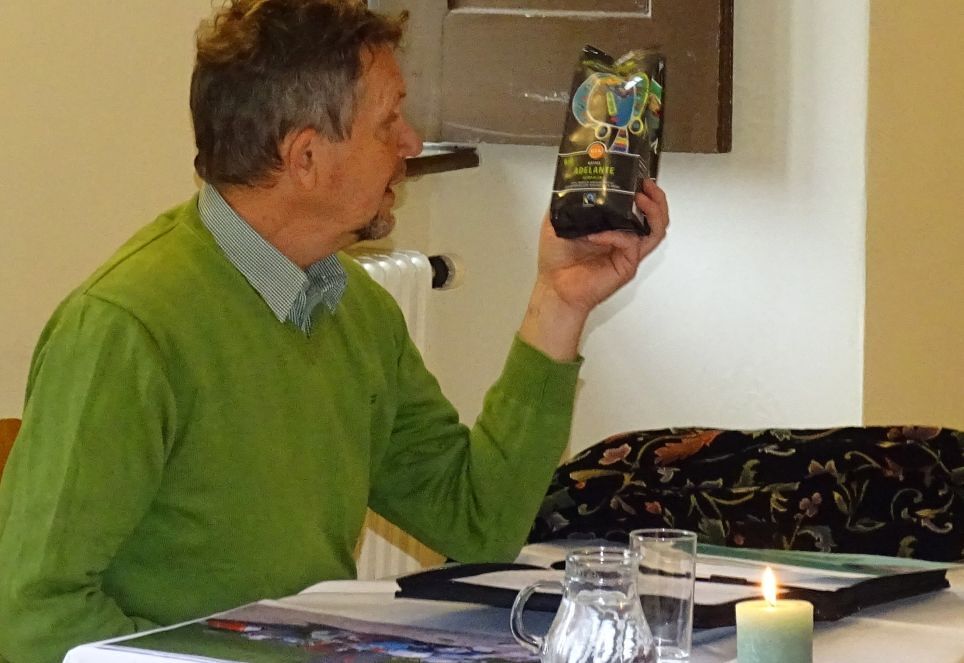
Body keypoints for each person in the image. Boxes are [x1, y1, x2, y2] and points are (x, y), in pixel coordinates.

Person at [0, 1, 669, 661]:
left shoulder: (355, 311)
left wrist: (559, 301)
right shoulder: (126, 329)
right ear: (307, 156)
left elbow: (478, 522)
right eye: (388, 122)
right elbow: (32, 614)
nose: (411, 142)